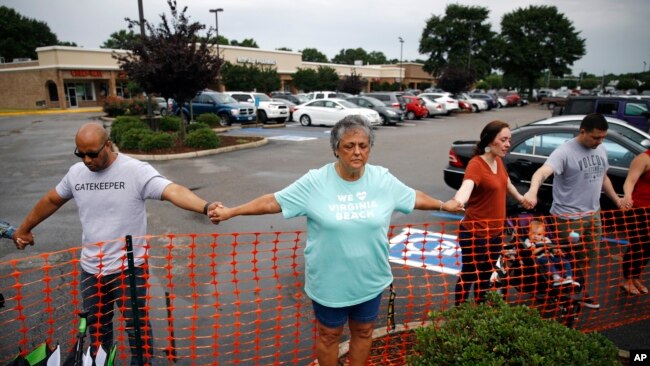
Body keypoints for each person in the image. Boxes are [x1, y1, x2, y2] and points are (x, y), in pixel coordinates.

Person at [208, 115, 457, 366]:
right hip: (330, 283)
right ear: (336, 149)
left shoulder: (382, 179)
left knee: (364, 332)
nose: (357, 152)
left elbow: (413, 197)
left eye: (363, 145)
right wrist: (232, 211)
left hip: (370, 279)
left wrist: (442, 204)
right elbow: (273, 201)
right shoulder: (316, 182)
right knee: (329, 336)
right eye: (349, 146)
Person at [12, 122, 219, 365]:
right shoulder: (76, 173)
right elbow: (51, 199)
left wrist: (205, 207)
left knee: (137, 328)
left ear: (108, 145)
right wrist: (25, 228)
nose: (87, 160)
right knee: (98, 330)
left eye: (92, 153)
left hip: (128, 269)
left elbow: (172, 190)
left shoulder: (134, 171)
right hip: (91, 269)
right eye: (81, 153)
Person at [523, 113, 622, 309]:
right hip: (567, 218)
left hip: (593, 215)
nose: (599, 141)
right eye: (595, 137)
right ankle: (557, 295)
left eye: (603, 137)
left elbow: (604, 177)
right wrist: (532, 192)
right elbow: (542, 172)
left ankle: (578, 290)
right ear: (582, 131)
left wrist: (617, 200)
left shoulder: (600, 149)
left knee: (587, 257)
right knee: (564, 257)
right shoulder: (564, 151)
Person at [451, 120, 531, 305]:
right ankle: (460, 312)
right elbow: (467, 185)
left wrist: (521, 199)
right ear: (489, 140)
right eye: (503, 140)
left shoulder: (498, 161)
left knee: (486, 274)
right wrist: (458, 201)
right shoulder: (476, 164)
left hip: (496, 232)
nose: (508, 144)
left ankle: (478, 311)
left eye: (509, 140)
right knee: (470, 273)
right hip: (475, 233)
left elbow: (507, 183)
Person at [620, 149, 650, 295]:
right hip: (640, 209)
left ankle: (636, 276)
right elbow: (630, 181)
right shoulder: (643, 158)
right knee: (638, 245)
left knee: (648, 248)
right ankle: (627, 279)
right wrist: (627, 196)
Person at [523, 219, 580, 287]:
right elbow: (532, 252)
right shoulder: (528, 241)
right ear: (528, 233)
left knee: (565, 261)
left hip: (551, 257)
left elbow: (552, 248)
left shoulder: (546, 239)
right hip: (539, 259)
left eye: (539, 234)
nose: (535, 236)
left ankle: (568, 277)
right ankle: (556, 278)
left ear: (543, 234)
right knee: (548, 261)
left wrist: (557, 251)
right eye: (533, 234)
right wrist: (543, 247)